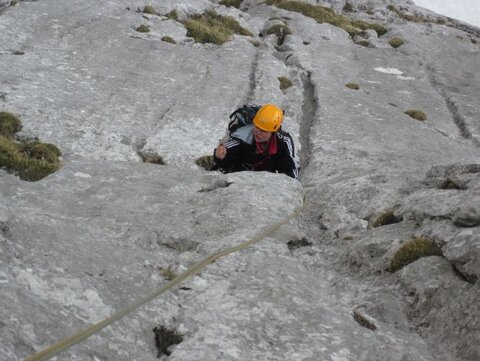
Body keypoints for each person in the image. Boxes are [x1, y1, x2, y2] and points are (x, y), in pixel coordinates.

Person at [213, 104, 300, 179]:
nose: (258, 133)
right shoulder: (242, 138)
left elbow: (291, 170)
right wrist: (220, 157)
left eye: (263, 131)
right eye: (256, 127)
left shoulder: (283, 142)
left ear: (273, 132)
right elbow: (225, 164)